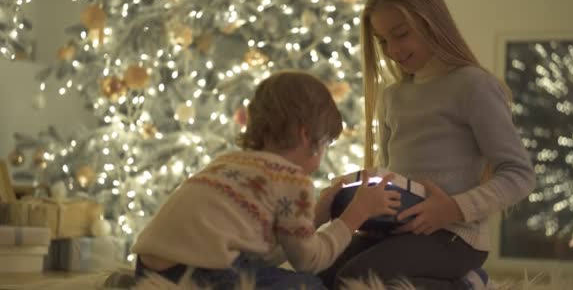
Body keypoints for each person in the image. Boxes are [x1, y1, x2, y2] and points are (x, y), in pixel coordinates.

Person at [319, 0, 537, 290]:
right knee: (320, 276)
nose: (392, 49)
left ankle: (465, 283)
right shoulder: (393, 96)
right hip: (398, 230)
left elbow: (520, 174)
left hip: (455, 237)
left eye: (401, 33)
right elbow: (392, 170)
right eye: (382, 41)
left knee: (357, 280)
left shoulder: (473, 85)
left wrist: (454, 208)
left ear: (431, 21)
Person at [130, 70, 401, 289]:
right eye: (327, 143)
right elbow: (308, 261)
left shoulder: (230, 160)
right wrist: (356, 214)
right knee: (311, 285)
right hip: (202, 273)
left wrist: (316, 217)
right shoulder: (292, 179)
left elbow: (262, 250)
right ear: (306, 136)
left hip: (147, 268)